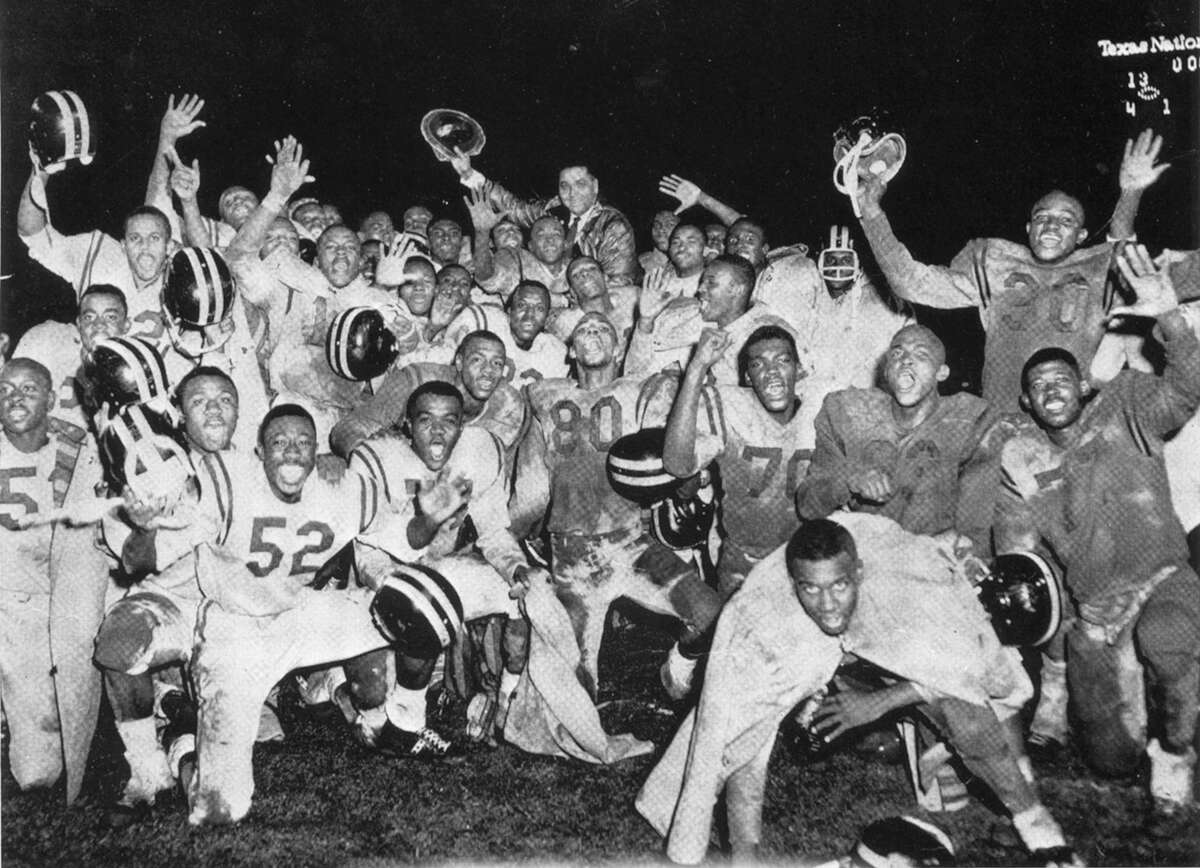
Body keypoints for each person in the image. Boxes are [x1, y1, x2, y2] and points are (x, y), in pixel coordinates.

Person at [636, 513, 1075, 866]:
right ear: (794, 585)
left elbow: (979, 680)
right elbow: (737, 752)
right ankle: (688, 651)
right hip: (779, 637)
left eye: (840, 586)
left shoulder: (922, 583)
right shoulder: (768, 626)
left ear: (859, 572)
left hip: (876, 611)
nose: (827, 604)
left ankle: (1038, 827)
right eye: (812, 589)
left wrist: (875, 703)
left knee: (970, 710)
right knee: (725, 743)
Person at [994, 245, 1200, 827]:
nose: (1051, 388)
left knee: (1167, 640)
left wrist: (1169, 318)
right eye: (1038, 384)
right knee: (1109, 761)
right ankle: (1141, 699)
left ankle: (1176, 759)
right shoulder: (1022, 459)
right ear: (1026, 403)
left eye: (1062, 377)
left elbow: (1188, 389)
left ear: (1083, 387)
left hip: (1161, 579)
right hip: (1097, 612)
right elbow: (1020, 558)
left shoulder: (1127, 405)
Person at [134, 404, 405, 825]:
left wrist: (435, 514)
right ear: (258, 452)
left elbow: (402, 532)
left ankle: (382, 714)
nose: (293, 453)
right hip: (234, 630)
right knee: (220, 810)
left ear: (317, 452)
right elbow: (142, 559)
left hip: (298, 616)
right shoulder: (225, 483)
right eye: (279, 443)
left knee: (413, 606)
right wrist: (144, 524)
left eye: (303, 443)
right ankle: (182, 736)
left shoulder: (341, 486)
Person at [853, 130, 1168, 410]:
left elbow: (1122, 250)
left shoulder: (1096, 267)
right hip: (1003, 424)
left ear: (1082, 236)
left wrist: (1130, 193)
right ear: (1029, 228)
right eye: (1043, 218)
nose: (1051, 226)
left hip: (1074, 423)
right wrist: (871, 213)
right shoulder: (996, 263)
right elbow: (910, 283)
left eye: (1066, 221)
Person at [512, 312, 722, 705]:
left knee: (714, 615)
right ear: (570, 350)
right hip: (572, 556)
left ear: (617, 347)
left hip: (633, 544)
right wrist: (519, 539)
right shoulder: (544, 396)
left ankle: (677, 666)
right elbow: (531, 483)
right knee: (575, 693)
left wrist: (689, 473)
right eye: (584, 330)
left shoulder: (640, 390)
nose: (592, 331)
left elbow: (680, 446)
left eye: (602, 329)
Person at [348, 382, 538, 750]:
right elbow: (367, 553)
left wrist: (516, 567)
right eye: (426, 420)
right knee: (371, 695)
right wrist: (398, 585)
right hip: (385, 574)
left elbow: (493, 533)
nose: (438, 432)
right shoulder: (375, 459)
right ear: (406, 425)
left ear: (461, 426)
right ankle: (382, 707)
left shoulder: (478, 453)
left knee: (529, 591)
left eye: (449, 421)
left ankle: (506, 702)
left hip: (446, 568)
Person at [661, 325, 815, 602]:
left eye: (783, 361)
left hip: (808, 559)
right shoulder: (733, 407)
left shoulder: (821, 410)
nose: (772, 372)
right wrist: (696, 369)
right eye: (758, 364)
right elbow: (677, 465)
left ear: (799, 369)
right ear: (747, 377)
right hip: (745, 564)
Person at [796, 324, 990, 535]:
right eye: (897, 353)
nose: (905, 360)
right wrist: (849, 480)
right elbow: (808, 506)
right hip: (868, 550)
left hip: (936, 555)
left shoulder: (968, 421)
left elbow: (980, 520)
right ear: (887, 370)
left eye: (921, 354)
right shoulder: (847, 413)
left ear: (941, 373)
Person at [0, 359, 92, 792]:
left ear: (52, 400)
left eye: (29, 389)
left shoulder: (76, 452)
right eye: (6, 388)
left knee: (39, 773)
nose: (14, 398)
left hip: (37, 610)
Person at [764, 225, 912, 407]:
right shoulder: (807, 289)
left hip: (863, 404)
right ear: (820, 259)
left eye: (846, 259)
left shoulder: (880, 302)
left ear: (858, 262)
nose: (838, 267)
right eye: (831, 259)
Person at [329, 330, 525, 460]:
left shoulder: (508, 406)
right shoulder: (415, 381)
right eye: (477, 360)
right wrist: (378, 468)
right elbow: (346, 430)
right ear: (459, 362)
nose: (488, 371)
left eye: (497, 363)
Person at [452, 154, 640, 286]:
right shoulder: (552, 210)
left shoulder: (613, 226)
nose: (572, 194)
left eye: (580, 184)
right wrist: (469, 174)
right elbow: (513, 207)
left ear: (595, 186)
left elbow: (620, 282)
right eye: (564, 186)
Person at [624, 254, 795, 385]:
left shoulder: (772, 335)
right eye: (701, 282)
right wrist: (646, 322)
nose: (699, 289)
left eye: (711, 283)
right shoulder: (690, 320)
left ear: (736, 290)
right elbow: (633, 377)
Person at [14, 284, 131, 438]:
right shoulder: (47, 338)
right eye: (89, 317)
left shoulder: (135, 372)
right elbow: (10, 401)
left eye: (110, 317)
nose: (98, 325)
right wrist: (50, 424)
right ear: (79, 323)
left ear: (126, 325)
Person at [420, 281, 568, 387]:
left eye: (539, 309)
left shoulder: (556, 351)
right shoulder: (484, 320)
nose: (529, 316)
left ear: (547, 320)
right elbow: (440, 364)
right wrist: (433, 328)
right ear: (509, 311)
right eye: (522, 306)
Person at [465, 187, 570, 304]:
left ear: (566, 244)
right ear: (531, 246)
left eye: (556, 234)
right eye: (541, 234)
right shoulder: (515, 260)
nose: (550, 240)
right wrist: (482, 232)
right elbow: (486, 276)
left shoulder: (577, 267)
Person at [545, 255, 638, 350]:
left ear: (605, 278)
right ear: (573, 292)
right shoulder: (566, 324)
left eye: (592, 269)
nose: (585, 274)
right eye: (576, 275)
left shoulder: (632, 297)